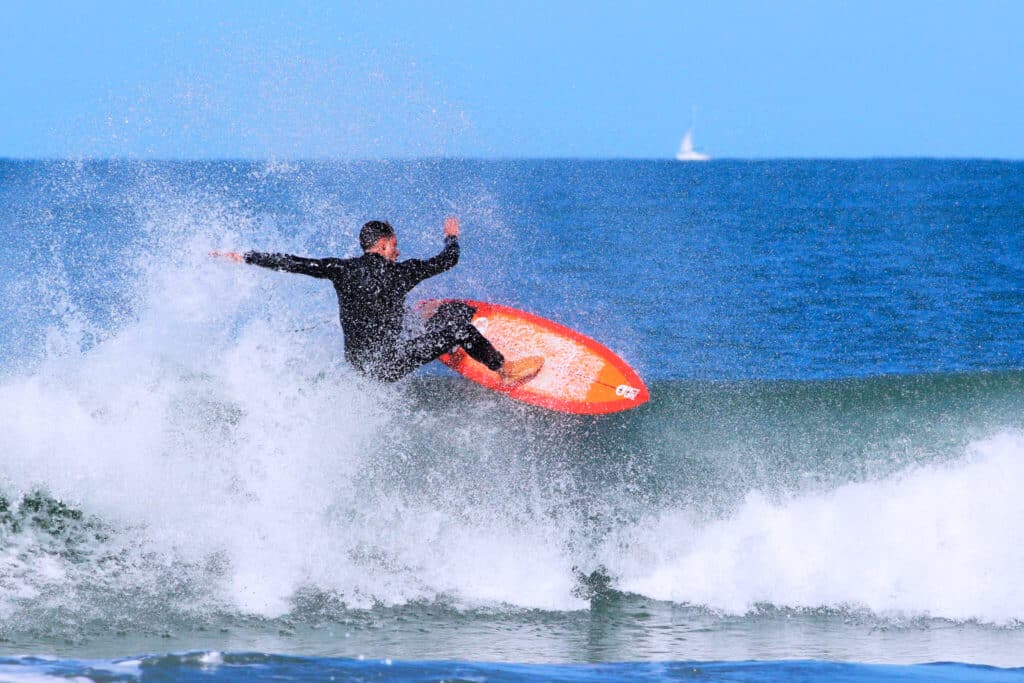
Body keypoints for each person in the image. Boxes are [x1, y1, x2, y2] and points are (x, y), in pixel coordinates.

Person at [211, 217, 543, 386]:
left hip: (358, 364)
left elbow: (294, 262)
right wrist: (451, 235)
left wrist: (244, 256)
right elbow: (448, 260)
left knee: (416, 314)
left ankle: (439, 336)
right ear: (383, 245)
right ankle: (504, 369)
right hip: (388, 366)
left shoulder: (339, 269)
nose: (397, 251)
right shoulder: (404, 272)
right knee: (457, 324)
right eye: (394, 245)